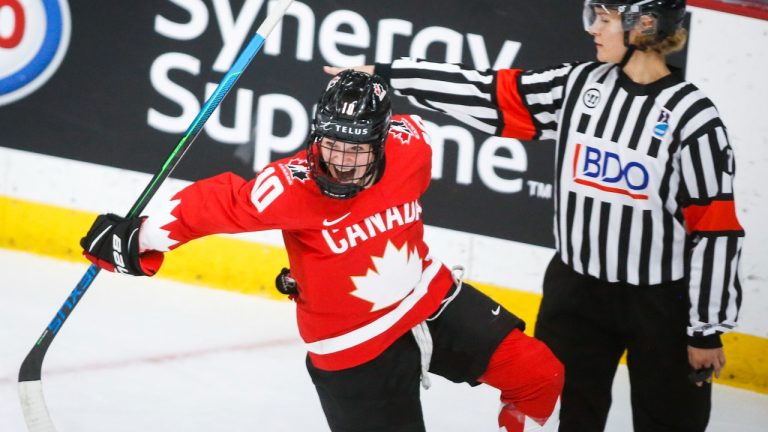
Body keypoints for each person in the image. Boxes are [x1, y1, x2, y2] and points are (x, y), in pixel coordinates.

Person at [325, 1, 745, 431]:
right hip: (577, 293)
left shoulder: (694, 119)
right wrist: (388, 74)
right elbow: (485, 92)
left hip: (660, 303)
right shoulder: (579, 85)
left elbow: (716, 230)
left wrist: (705, 329)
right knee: (568, 414)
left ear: (646, 24)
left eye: (605, 19)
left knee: (671, 419)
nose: (594, 29)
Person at [80, 70, 563, 432]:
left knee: (541, 377)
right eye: (330, 144)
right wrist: (137, 237)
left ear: (382, 141)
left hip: (430, 299)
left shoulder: (413, 147)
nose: (340, 161)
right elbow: (214, 205)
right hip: (350, 349)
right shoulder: (290, 187)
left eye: (356, 149)